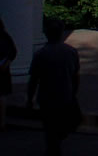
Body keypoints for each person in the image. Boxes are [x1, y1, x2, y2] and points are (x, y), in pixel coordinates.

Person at [27, 18, 80, 156]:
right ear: (62, 33)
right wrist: (74, 93)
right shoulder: (71, 52)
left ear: (46, 33)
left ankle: (53, 147)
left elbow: (34, 79)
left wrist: (29, 98)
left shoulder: (40, 54)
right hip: (65, 96)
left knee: (49, 127)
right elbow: (76, 76)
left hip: (47, 97)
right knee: (61, 125)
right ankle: (55, 145)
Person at [0, 17, 15, 130]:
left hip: (2, 69)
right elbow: (13, 51)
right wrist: (6, 63)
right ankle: (2, 121)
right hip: (2, 69)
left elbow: (12, 52)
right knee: (2, 97)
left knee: (2, 97)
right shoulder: (4, 36)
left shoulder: (4, 36)